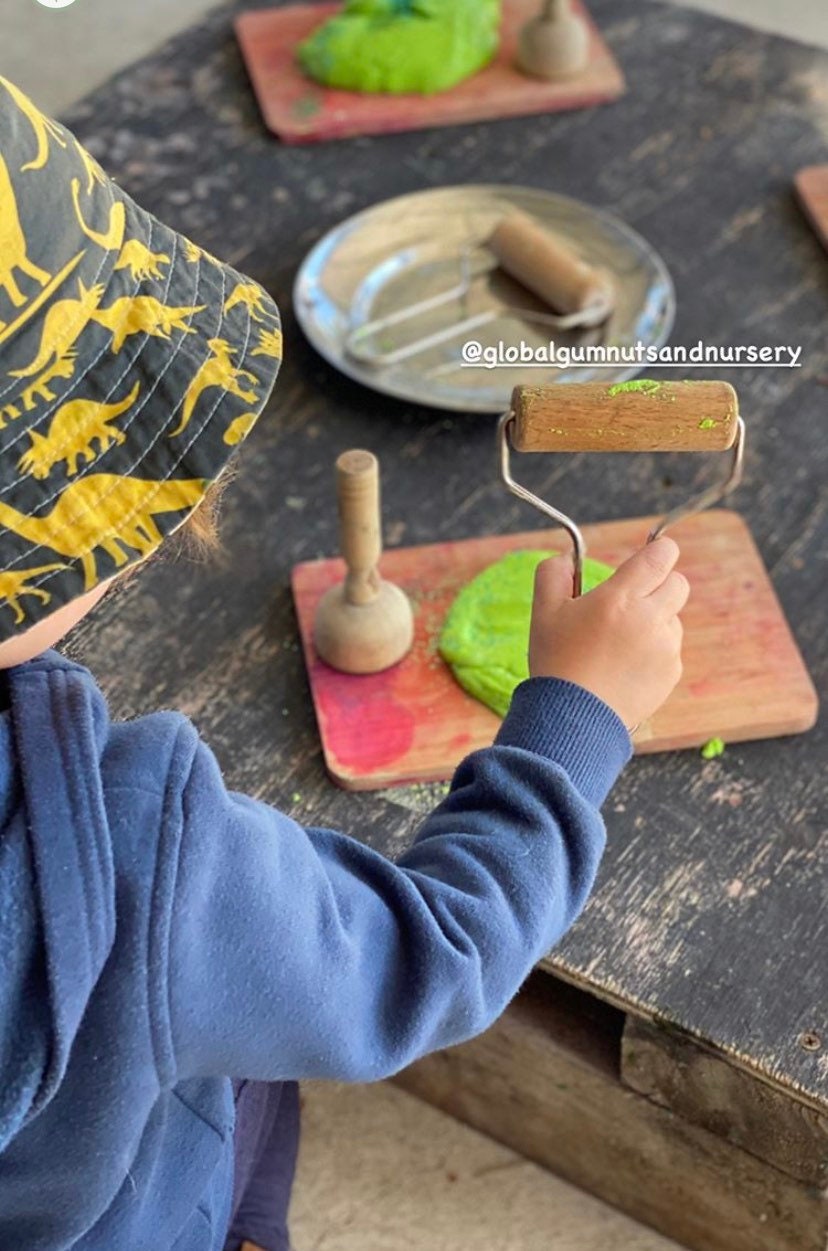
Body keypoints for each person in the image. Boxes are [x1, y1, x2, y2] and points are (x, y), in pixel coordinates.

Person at [0, 77, 688, 1251]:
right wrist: (575, 722)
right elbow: (433, 952)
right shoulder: (143, 869)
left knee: (244, 1086)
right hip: (139, 1203)